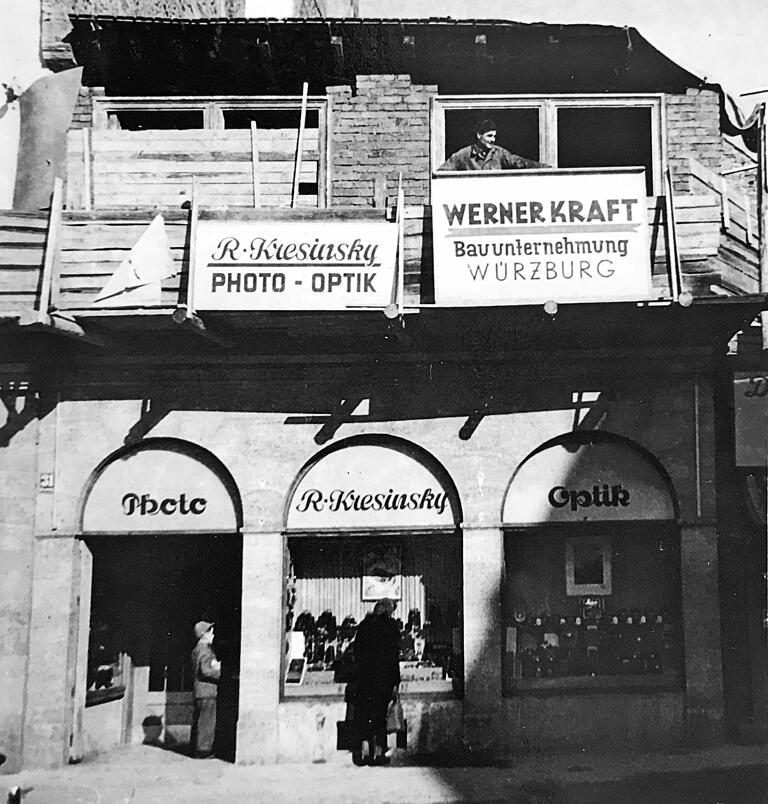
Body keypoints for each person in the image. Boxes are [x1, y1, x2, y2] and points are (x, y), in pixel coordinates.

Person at [351, 598, 401, 766]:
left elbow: (356, 651)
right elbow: (394, 655)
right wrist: (396, 680)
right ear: (388, 611)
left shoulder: (364, 626)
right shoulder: (391, 627)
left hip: (365, 679)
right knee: (380, 717)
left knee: (364, 715)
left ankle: (364, 752)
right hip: (383, 679)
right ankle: (378, 753)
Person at [439, 118, 545, 171]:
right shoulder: (463, 155)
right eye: (489, 136)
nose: (493, 140)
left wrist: (547, 169)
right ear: (479, 135)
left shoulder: (499, 153)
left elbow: (520, 162)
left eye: (494, 136)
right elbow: (442, 173)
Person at [190, 620, 220, 759]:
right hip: (207, 691)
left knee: (200, 720)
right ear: (204, 634)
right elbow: (205, 671)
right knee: (207, 721)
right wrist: (220, 672)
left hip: (199, 691)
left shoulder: (196, 649)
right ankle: (204, 750)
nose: (213, 634)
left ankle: (196, 748)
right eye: (210, 631)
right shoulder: (205, 650)